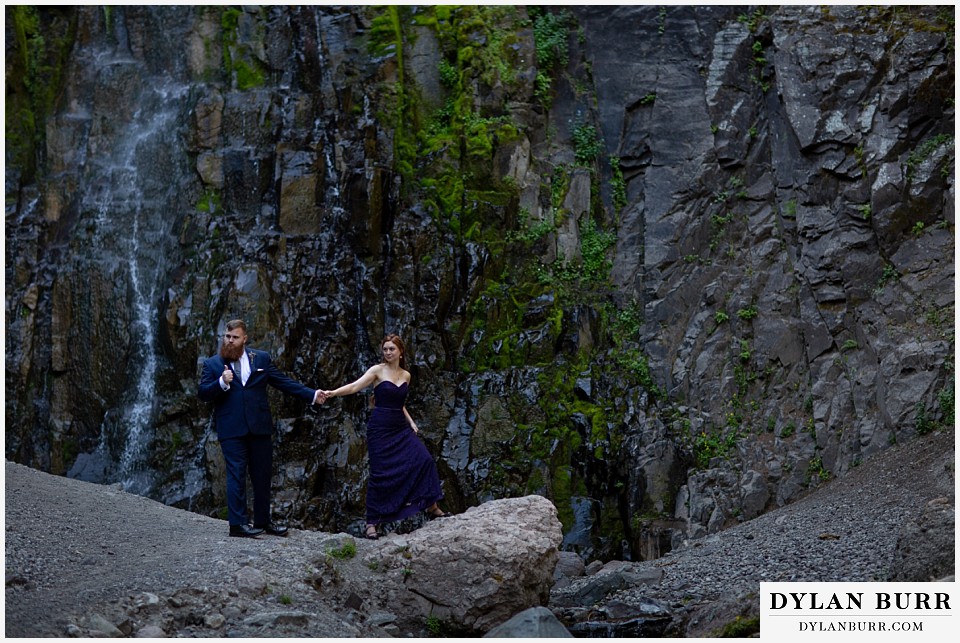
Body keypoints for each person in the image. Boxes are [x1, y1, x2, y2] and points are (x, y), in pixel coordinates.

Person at [198, 319, 326, 538]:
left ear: (244, 339)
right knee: (236, 475)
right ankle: (237, 524)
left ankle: (263, 521)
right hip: (231, 428)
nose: (230, 340)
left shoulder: (262, 359)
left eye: (235, 337)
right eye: (227, 337)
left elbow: (283, 382)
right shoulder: (213, 364)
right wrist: (221, 383)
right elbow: (202, 394)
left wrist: (312, 395)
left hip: (259, 426)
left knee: (262, 475)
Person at [321, 334, 447, 539]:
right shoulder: (377, 371)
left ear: (401, 352)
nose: (388, 352)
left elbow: (400, 402)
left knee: (424, 459)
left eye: (392, 349)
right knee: (380, 474)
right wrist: (333, 393)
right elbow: (354, 386)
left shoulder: (406, 375)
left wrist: (411, 422)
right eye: (385, 349)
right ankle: (372, 522)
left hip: (399, 426)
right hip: (380, 428)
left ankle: (431, 505)